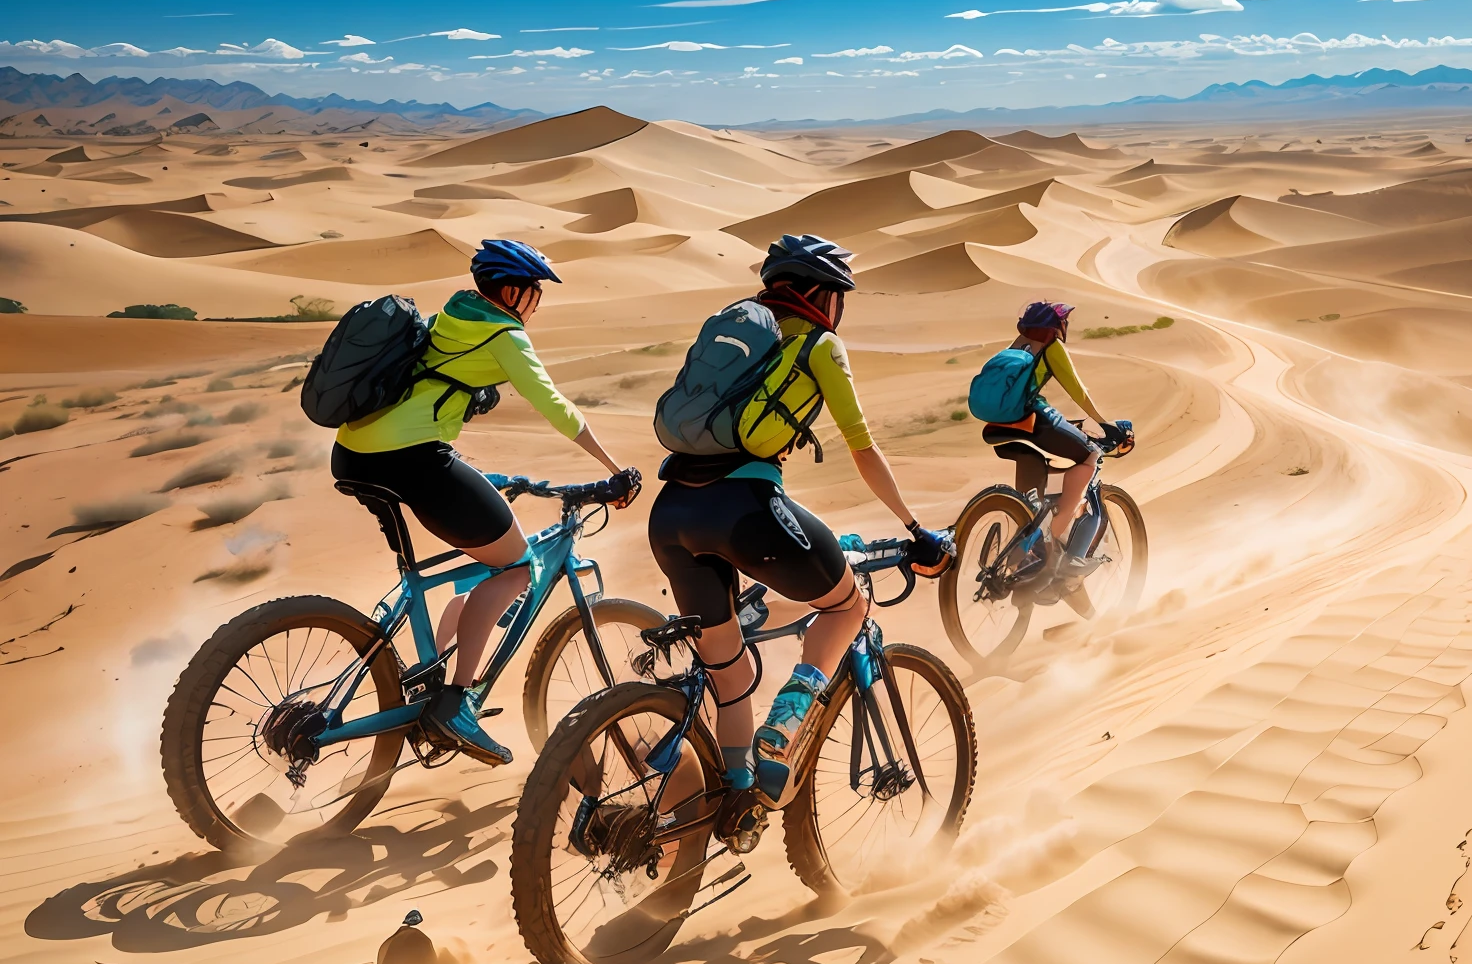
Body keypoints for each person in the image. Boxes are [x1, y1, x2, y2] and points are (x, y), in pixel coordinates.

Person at [645, 233, 951, 836]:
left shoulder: (738, 337)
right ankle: (785, 725)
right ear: (821, 296)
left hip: (672, 514)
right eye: (840, 294)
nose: (842, 307)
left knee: (729, 675)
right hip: (745, 511)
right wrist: (915, 529)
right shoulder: (819, 346)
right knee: (847, 607)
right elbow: (863, 448)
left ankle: (737, 802)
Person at [330, 239, 637, 766]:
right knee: (517, 567)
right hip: (412, 460)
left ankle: (431, 670)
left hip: (353, 454)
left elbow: (435, 372)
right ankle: (455, 703)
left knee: (475, 556)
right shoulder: (505, 333)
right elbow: (556, 407)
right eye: (535, 293)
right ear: (515, 291)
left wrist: (473, 394)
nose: (535, 305)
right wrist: (615, 471)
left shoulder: (452, 312)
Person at [980, 300, 1131, 582]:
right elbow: (1077, 389)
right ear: (1057, 326)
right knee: (1089, 455)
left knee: (1031, 507)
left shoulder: (1016, 345)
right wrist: (1103, 423)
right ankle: (1065, 547)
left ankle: (1023, 559)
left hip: (999, 430)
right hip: (1032, 421)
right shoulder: (1051, 346)